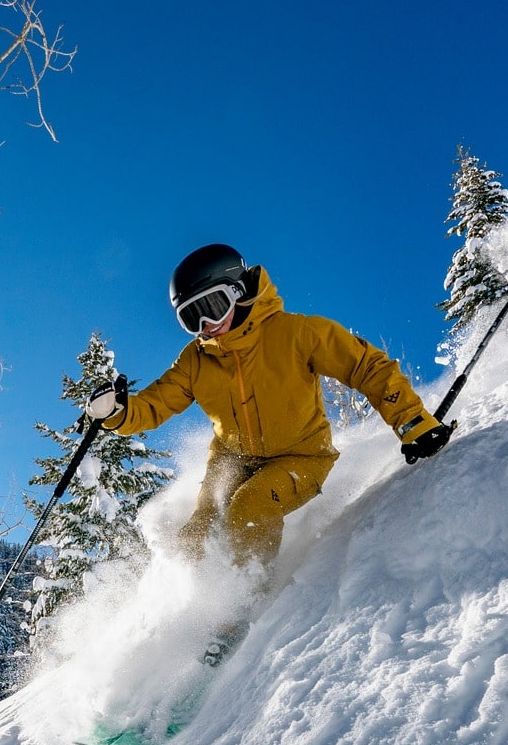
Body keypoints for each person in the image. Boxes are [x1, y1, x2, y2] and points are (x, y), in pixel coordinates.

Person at [87, 243, 452, 569]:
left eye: (213, 307)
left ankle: (243, 603)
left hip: (300, 458)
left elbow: (367, 366)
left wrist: (413, 422)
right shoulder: (195, 360)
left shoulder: (296, 333)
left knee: (250, 506)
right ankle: (187, 614)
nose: (206, 326)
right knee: (197, 533)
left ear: (239, 291)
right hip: (230, 459)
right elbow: (152, 406)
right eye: (191, 318)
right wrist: (116, 413)